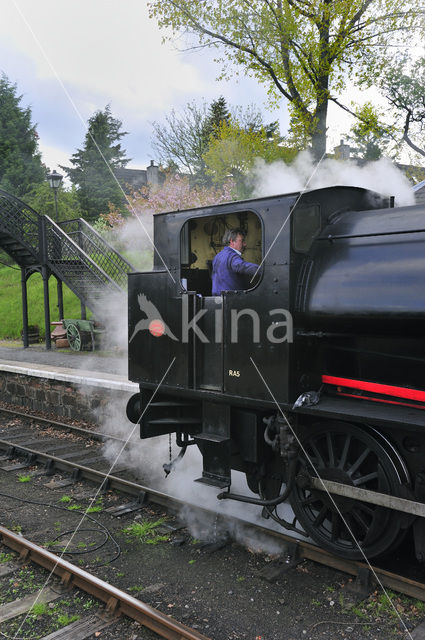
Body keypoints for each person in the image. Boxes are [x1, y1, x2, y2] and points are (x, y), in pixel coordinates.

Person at [211, 228, 259, 295]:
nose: (245, 244)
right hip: (232, 299)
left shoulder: (218, 256)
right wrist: (262, 269)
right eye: (242, 241)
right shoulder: (232, 256)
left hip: (217, 299)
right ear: (232, 241)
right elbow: (241, 266)